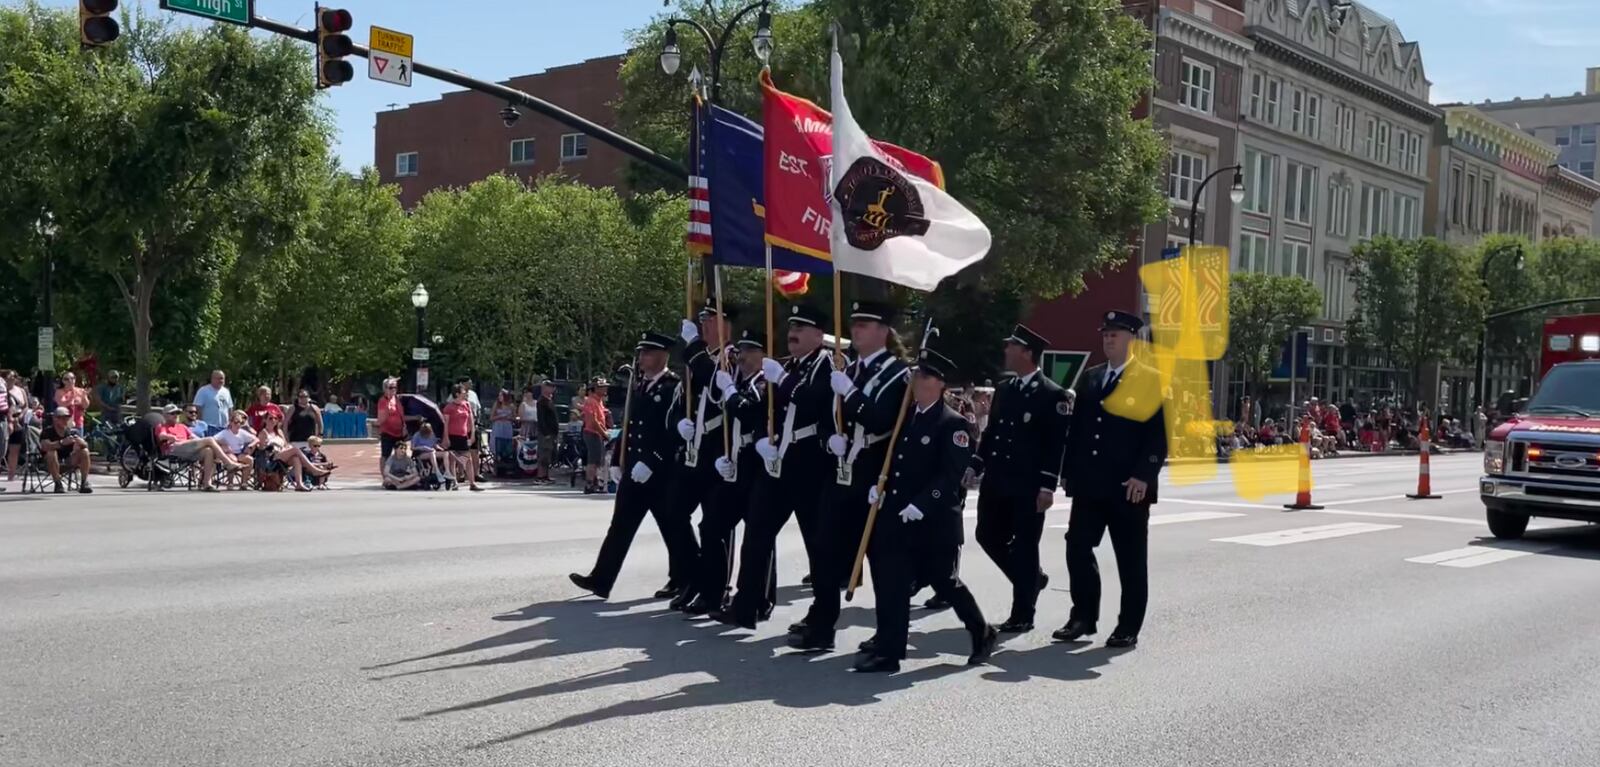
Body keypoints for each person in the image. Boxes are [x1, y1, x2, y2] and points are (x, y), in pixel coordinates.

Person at [850, 348, 997, 672]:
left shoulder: (953, 423)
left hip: (933, 520)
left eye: (924, 376)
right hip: (898, 515)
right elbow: (892, 459)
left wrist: (922, 503)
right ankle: (889, 651)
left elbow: (950, 475)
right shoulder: (907, 416)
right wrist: (880, 486)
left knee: (944, 582)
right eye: (916, 375)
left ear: (940, 384)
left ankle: (981, 630)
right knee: (892, 583)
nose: (916, 381)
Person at [790, 300, 911, 650]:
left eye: (865, 324)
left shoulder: (897, 374)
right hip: (841, 474)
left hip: (875, 478)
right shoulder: (849, 368)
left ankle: (889, 641)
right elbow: (828, 416)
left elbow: (881, 419)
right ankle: (823, 627)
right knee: (824, 554)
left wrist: (852, 395)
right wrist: (831, 439)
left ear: (883, 331)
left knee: (883, 565)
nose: (855, 329)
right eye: (854, 322)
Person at [713, 305, 835, 630]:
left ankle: (822, 621)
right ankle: (746, 606)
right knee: (757, 533)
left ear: (818, 335)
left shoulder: (828, 365)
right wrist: (764, 440)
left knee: (818, 545)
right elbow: (762, 410)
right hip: (779, 461)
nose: (793, 331)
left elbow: (813, 402)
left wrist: (782, 380)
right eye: (791, 325)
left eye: (802, 326)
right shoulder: (788, 365)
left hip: (810, 463)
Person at [1054, 311, 1167, 649]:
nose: (1108, 339)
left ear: (1133, 339)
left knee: (1130, 560)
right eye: (1105, 333)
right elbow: (1078, 432)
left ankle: (1128, 625)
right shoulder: (1091, 378)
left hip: (1128, 488)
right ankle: (1083, 616)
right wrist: (1069, 474)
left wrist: (1144, 476)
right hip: (1090, 485)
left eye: (1115, 334)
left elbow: (1157, 434)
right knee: (1077, 547)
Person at [569, 332, 698, 600]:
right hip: (634, 469)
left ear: (663, 355)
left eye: (647, 353)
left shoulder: (673, 387)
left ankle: (687, 578)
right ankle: (601, 579)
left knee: (674, 528)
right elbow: (629, 426)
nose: (641, 358)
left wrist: (652, 462)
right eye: (641, 353)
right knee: (620, 527)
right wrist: (618, 460)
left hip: (660, 472)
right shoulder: (639, 386)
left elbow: (672, 432)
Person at [968, 324, 1069, 634]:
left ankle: (1022, 613)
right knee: (986, 534)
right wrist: (976, 463)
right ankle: (1030, 580)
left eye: (1012, 346)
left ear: (1027, 353)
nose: (1006, 350)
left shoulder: (1053, 394)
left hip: (1028, 487)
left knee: (1025, 547)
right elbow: (992, 433)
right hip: (998, 482)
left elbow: (1056, 444)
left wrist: (1047, 485)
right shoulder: (1005, 389)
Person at [684, 329, 776, 617]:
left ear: (764, 355)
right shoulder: (735, 381)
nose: (744, 355)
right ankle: (712, 593)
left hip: (757, 468)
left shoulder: (766, 383)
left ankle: (761, 599)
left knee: (759, 538)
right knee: (711, 528)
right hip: (735, 466)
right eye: (743, 349)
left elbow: (747, 412)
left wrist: (730, 391)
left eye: (752, 350)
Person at [665, 297, 740, 608]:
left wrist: (693, 345)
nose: (704, 324)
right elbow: (682, 399)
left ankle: (715, 588)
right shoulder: (698, 357)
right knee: (672, 512)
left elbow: (716, 382)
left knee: (714, 525)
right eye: (703, 319)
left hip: (719, 449)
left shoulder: (732, 357)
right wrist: (678, 423)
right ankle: (694, 577)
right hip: (694, 450)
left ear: (727, 323)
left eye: (711, 319)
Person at [155, 404, 243, 492]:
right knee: (209, 439)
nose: (175, 415)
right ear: (165, 415)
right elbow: (161, 436)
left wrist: (214, 444)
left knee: (208, 450)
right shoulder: (162, 426)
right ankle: (228, 463)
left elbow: (195, 438)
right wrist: (169, 437)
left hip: (188, 449)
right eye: (172, 413)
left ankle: (207, 483)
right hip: (174, 448)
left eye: (177, 413)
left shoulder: (182, 427)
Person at [254, 411, 330, 491]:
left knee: (296, 458)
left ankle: (299, 484)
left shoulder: (279, 432)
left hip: (281, 456)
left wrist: (286, 448)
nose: (273, 420)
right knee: (295, 449)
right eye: (270, 418)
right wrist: (267, 445)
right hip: (271, 458)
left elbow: (286, 445)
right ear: (265, 420)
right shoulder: (263, 433)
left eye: (275, 418)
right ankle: (313, 470)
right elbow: (261, 449)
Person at [40, 407, 93, 494]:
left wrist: (81, 443)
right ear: (55, 419)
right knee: (51, 452)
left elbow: (85, 445)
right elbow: (44, 446)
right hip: (50, 463)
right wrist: (61, 443)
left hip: (68, 460)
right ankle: (58, 484)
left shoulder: (72, 432)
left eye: (66, 418)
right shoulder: (48, 431)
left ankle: (84, 483)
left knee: (85, 451)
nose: (64, 420)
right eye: (61, 418)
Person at [443, 384, 482, 491]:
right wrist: (446, 438)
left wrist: (472, 434)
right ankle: (454, 482)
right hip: (452, 435)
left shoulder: (466, 405)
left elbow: (471, 421)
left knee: (467, 459)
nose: (466, 393)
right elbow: (446, 424)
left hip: (463, 435)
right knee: (453, 460)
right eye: (463, 391)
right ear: (457, 394)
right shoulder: (449, 407)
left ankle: (472, 483)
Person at [580, 380, 612, 494]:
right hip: (592, 433)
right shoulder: (591, 401)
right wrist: (604, 433)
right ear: (595, 388)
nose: (605, 389)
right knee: (593, 460)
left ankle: (595, 482)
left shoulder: (599, 401)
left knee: (598, 460)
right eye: (602, 387)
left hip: (597, 433)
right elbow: (593, 421)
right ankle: (589, 484)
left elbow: (602, 416)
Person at [214, 410, 257, 488]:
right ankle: (230, 483)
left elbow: (256, 439)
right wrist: (223, 444)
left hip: (239, 453)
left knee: (249, 459)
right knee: (233, 460)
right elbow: (213, 439)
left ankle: (244, 482)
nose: (238, 424)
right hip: (229, 453)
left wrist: (250, 445)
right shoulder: (225, 432)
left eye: (240, 423)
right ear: (231, 422)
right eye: (236, 422)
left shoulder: (242, 432)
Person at [376, 378, 405, 478]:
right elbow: (380, 420)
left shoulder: (396, 399)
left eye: (395, 387)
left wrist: (404, 425)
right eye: (391, 387)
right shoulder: (383, 401)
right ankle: (385, 477)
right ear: (385, 388)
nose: (394, 389)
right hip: (387, 432)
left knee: (401, 453)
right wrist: (387, 410)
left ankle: (399, 473)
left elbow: (401, 415)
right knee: (385, 455)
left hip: (399, 432)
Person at [535, 381, 560, 485]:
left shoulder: (550, 400)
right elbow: (542, 419)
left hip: (552, 433)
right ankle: (540, 476)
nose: (552, 389)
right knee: (543, 455)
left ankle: (546, 476)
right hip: (545, 433)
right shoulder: (542, 402)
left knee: (548, 455)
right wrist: (546, 433)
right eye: (550, 387)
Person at [490, 390, 516, 467]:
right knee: (497, 444)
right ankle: (496, 464)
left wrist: (509, 418)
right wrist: (499, 416)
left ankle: (505, 462)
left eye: (501, 395)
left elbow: (515, 418)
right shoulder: (497, 405)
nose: (499, 397)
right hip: (498, 426)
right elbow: (491, 418)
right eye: (499, 396)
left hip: (507, 426)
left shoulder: (511, 406)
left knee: (506, 444)